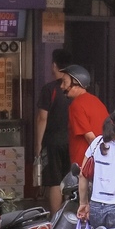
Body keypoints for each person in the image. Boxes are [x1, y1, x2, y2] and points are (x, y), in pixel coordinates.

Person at [36, 49, 73, 212]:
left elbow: (42, 118)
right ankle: (69, 217)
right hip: (71, 140)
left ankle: (56, 218)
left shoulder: (49, 89)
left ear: (54, 66)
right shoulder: (75, 89)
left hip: (52, 141)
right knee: (70, 179)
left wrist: (38, 144)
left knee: (54, 181)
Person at [61, 64, 110, 168]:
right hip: (101, 163)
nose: (62, 86)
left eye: (64, 82)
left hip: (83, 165)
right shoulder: (97, 102)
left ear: (77, 83)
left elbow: (90, 137)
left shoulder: (76, 105)